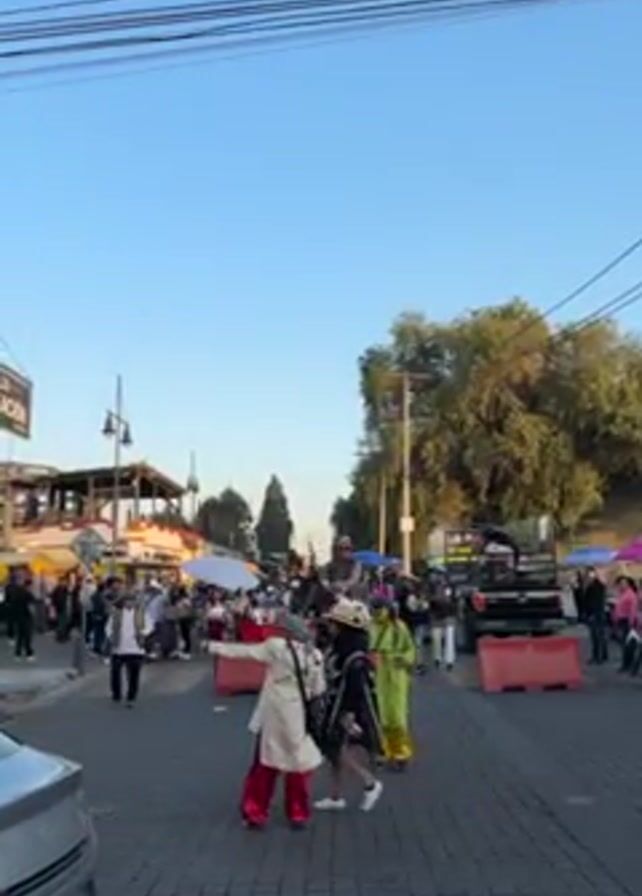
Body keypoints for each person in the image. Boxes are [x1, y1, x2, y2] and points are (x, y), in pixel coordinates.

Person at [209, 613, 325, 830]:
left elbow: (245, 652)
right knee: (297, 765)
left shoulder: (276, 648)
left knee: (265, 763)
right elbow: (319, 688)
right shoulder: (315, 655)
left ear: (286, 631)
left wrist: (214, 647)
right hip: (299, 713)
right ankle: (298, 812)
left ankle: (256, 811)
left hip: (275, 712)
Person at [315, 598, 384, 813]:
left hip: (344, 708)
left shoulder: (353, 657)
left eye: (334, 623)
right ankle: (336, 796)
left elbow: (356, 688)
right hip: (337, 705)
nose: (330, 626)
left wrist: (349, 714)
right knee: (333, 751)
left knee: (336, 748)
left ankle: (369, 782)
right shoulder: (343, 648)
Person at [369, 595, 415, 769]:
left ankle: (400, 752)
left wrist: (402, 659)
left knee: (397, 716)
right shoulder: (369, 626)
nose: (376, 612)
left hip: (396, 674)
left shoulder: (398, 627)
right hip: (377, 673)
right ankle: (386, 751)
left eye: (379, 608)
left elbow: (409, 649)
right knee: (380, 716)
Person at [106, 582, 151, 707]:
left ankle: (131, 695)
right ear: (123, 602)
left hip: (136, 648)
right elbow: (108, 627)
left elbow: (149, 625)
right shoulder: (116, 614)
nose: (129, 603)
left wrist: (143, 633)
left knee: (134, 674)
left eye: (132, 601)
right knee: (115, 672)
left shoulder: (141, 613)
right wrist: (111, 636)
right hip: (119, 647)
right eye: (127, 601)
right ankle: (116, 694)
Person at [321, 536, 364, 600]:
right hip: (332, 593)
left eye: (347, 548)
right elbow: (324, 578)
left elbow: (353, 580)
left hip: (351, 595)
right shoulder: (330, 564)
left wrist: (341, 585)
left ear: (351, 550)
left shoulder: (355, 564)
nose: (344, 551)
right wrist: (328, 585)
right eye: (340, 548)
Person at [6, 569, 36, 661]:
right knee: (27, 636)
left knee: (20, 636)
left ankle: (18, 653)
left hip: (18, 616)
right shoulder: (27, 593)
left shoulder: (14, 591)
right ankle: (29, 653)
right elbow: (31, 606)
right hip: (26, 616)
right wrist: (32, 615)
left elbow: (9, 602)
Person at [429, 576, 457, 671]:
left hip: (445, 615)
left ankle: (447, 660)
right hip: (439, 615)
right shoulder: (433, 586)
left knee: (446, 639)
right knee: (439, 639)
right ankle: (441, 659)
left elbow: (455, 600)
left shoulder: (451, 586)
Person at [585, 567, 608, 665]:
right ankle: (601, 655)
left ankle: (598, 656)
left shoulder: (596, 586)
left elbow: (596, 602)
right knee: (597, 636)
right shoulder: (591, 585)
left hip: (596, 614)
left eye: (589, 574)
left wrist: (592, 614)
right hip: (595, 614)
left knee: (597, 636)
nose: (588, 576)